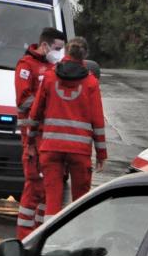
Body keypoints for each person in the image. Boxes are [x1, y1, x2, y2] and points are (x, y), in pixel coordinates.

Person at [28, 38, 106, 223]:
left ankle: (49, 235)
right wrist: (101, 153)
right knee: (80, 200)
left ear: (66, 52)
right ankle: (76, 234)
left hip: (51, 147)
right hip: (79, 150)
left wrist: (30, 141)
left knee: (52, 199)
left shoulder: (50, 77)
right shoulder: (91, 82)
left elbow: (35, 112)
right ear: (84, 56)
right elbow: (97, 121)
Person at [14, 27, 66, 239]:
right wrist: (46, 102)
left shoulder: (55, 67)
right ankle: (24, 237)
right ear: (44, 45)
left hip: (50, 138)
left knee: (48, 190)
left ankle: (39, 235)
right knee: (34, 187)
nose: (59, 53)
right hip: (33, 138)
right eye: (57, 49)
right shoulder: (26, 66)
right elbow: (23, 100)